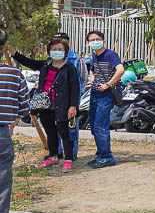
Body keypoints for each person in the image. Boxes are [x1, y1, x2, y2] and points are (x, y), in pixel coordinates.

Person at [13, 39, 80, 173]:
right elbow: (28, 62)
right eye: (54, 49)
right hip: (45, 104)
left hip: (62, 104)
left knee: (64, 132)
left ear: (65, 52)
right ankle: (53, 156)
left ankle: (68, 159)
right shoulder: (45, 65)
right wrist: (13, 53)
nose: (57, 51)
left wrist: (73, 106)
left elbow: (75, 88)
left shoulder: (69, 67)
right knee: (50, 131)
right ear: (49, 51)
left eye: (60, 49)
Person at [0, 27, 30, 213]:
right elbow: (24, 108)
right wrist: (11, 122)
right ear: (3, 48)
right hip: (2, 135)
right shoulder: (14, 75)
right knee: (2, 190)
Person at [85, 30, 124, 168]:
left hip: (105, 95)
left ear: (103, 41)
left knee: (100, 126)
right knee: (95, 126)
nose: (95, 41)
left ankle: (107, 157)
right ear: (88, 43)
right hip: (95, 93)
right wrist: (93, 80)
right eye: (92, 40)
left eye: (97, 39)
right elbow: (92, 70)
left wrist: (107, 84)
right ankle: (101, 153)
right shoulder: (94, 56)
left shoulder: (110, 55)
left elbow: (121, 70)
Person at [54, 32, 83, 161]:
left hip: (71, 100)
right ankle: (58, 152)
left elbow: (84, 78)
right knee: (56, 127)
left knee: (71, 127)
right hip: (54, 99)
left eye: (63, 41)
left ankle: (72, 153)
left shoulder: (76, 59)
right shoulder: (51, 60)